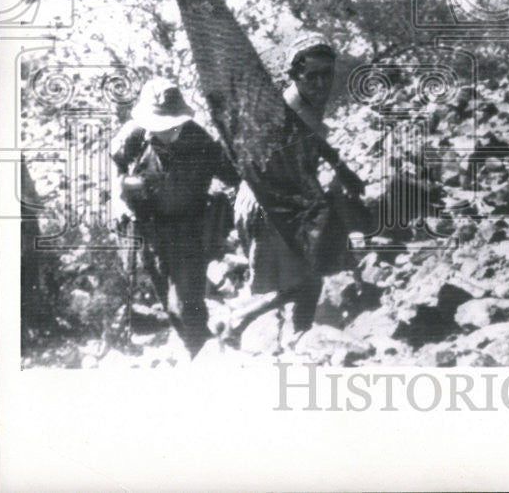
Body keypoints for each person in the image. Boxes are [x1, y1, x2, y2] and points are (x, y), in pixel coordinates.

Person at [232, 33, 360, 335]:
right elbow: (264, 166)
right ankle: (245, 318)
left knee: (312, 276)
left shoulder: (309, 99)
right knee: (307, 278)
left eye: (326, 74)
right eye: (311, 76)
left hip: (289, 198)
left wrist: (341, 168)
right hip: (268, 202)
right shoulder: (285, 111)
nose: (320, 83)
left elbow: (315, 139)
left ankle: (297, 337)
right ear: (294, 76)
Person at [112, 78, 239, 356]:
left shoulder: (200, 141)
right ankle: (198, 348)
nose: (167, 132)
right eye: (159, 126)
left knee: (185, 304)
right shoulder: (132, 137)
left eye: (172, 125)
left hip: (189, 230)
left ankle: (202, 353)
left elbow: (234, 176)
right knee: (171, 307)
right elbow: (116, 170)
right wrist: (120, 201)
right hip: (150, 230)